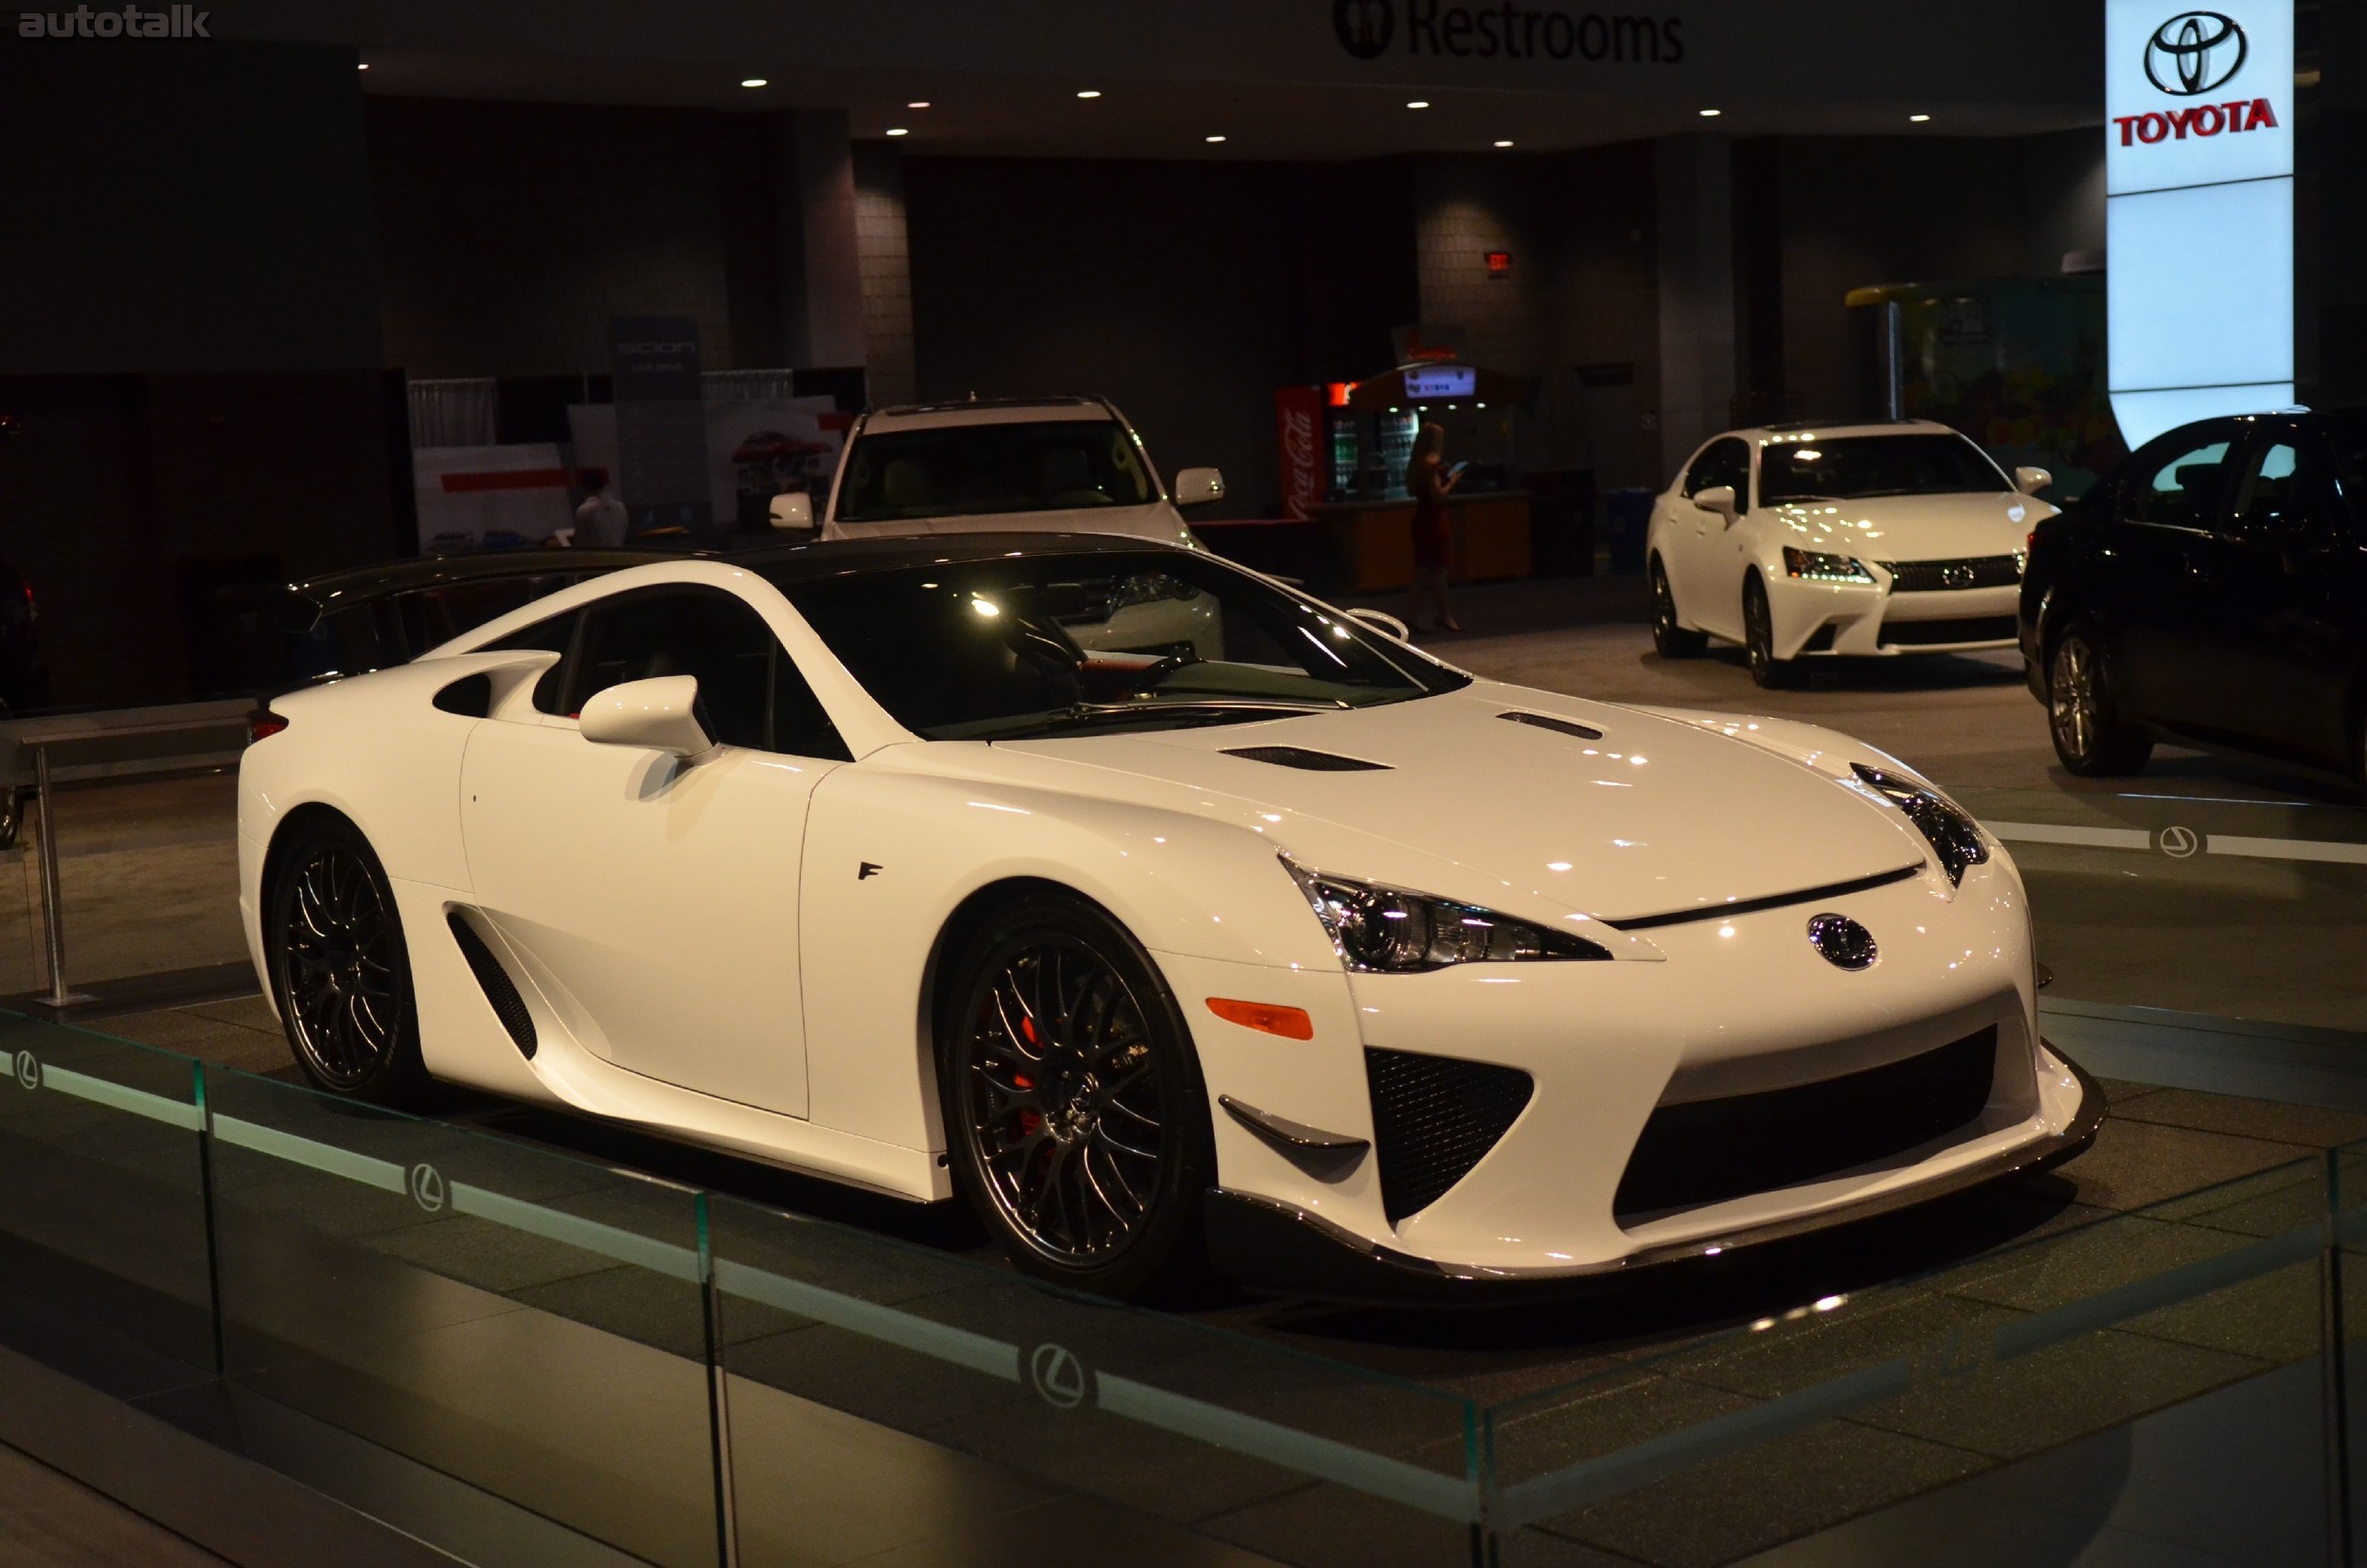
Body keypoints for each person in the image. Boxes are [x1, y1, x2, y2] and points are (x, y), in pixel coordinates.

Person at [1405, 422, 1462, 633]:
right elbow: (1438, 495)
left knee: (1422, 572)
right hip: (1434, 522)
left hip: (1421, 520)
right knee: (1439, 571)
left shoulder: (1416, 465)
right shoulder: (1431, 466)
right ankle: (1444, 616)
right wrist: (1453, 481)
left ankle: (1411, 616)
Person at [572, 469, 629, 548]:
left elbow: (580, 542)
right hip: (618, 554)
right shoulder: (620, 507)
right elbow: (623, 532)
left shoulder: (584, 511)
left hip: (596, 557)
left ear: (584, 486)